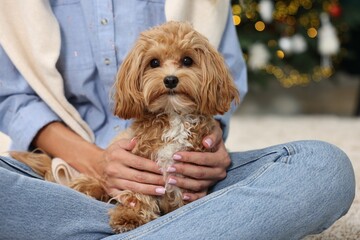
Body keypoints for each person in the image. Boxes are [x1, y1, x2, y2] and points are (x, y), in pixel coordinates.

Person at [0, 1, 355, 239]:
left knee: (323, 168)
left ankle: (135, 229)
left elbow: (222, 79)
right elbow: (11, 97)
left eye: (184, 63)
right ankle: (186, 229)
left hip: (196, 185)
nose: (170, 75)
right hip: (63, 174)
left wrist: (212, 140)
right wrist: (98, 162)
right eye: (156, 65)